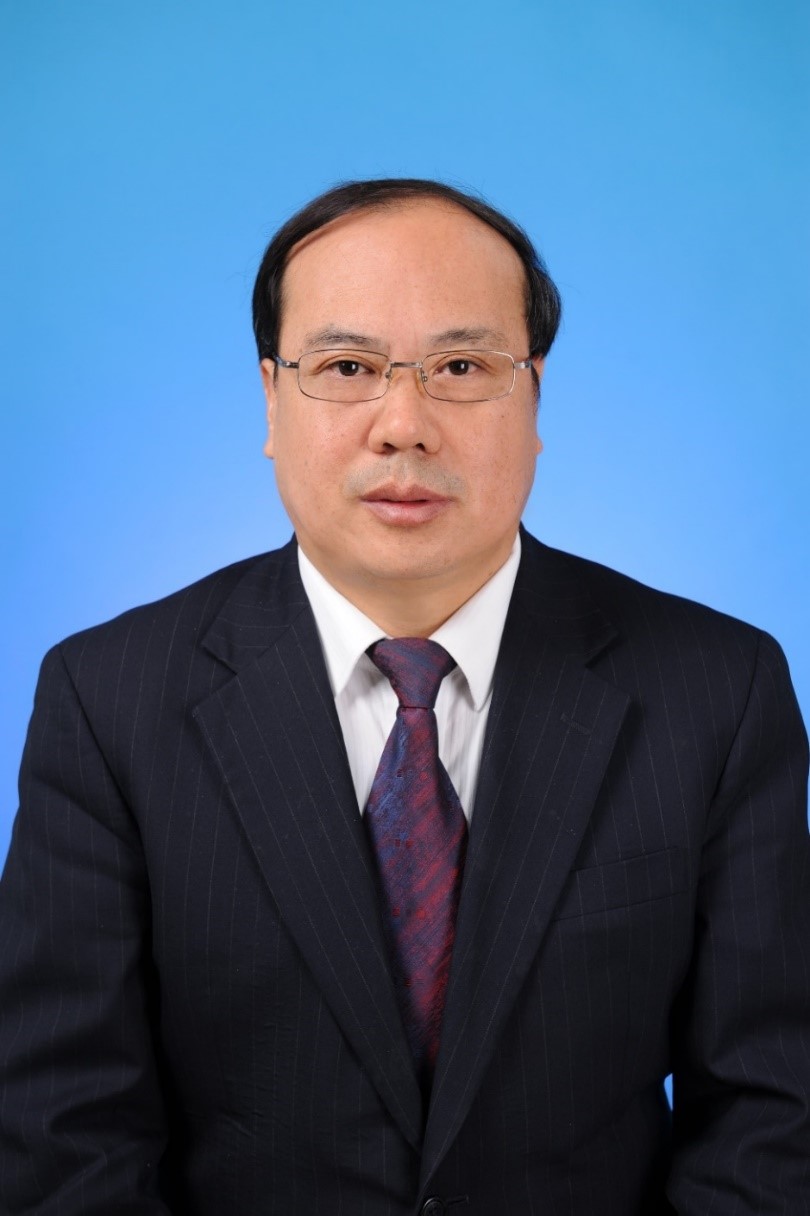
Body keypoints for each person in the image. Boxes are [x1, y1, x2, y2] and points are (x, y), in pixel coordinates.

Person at [0, 178, 808, 1216]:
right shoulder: (109, 698)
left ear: (535, 396)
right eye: (347, 367)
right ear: (271, 400)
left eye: (462, 367)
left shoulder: (717, 689)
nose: (403, 425)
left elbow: (773, 1113)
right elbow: (62, 1127)